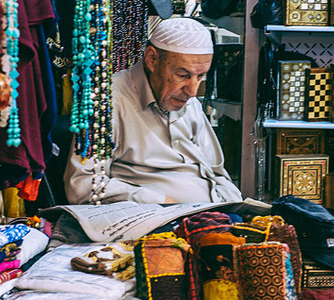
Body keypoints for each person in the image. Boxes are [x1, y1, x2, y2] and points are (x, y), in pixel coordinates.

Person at [64, 17, 243, 205]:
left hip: (213, 212)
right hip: (156, 221)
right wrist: (162, 202)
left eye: (200, 77)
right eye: (182, 75)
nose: (192, 91)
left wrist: (233, 201)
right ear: (151, 59)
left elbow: (215, 171)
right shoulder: (107, 101)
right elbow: (83, 186)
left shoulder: (189, 103)